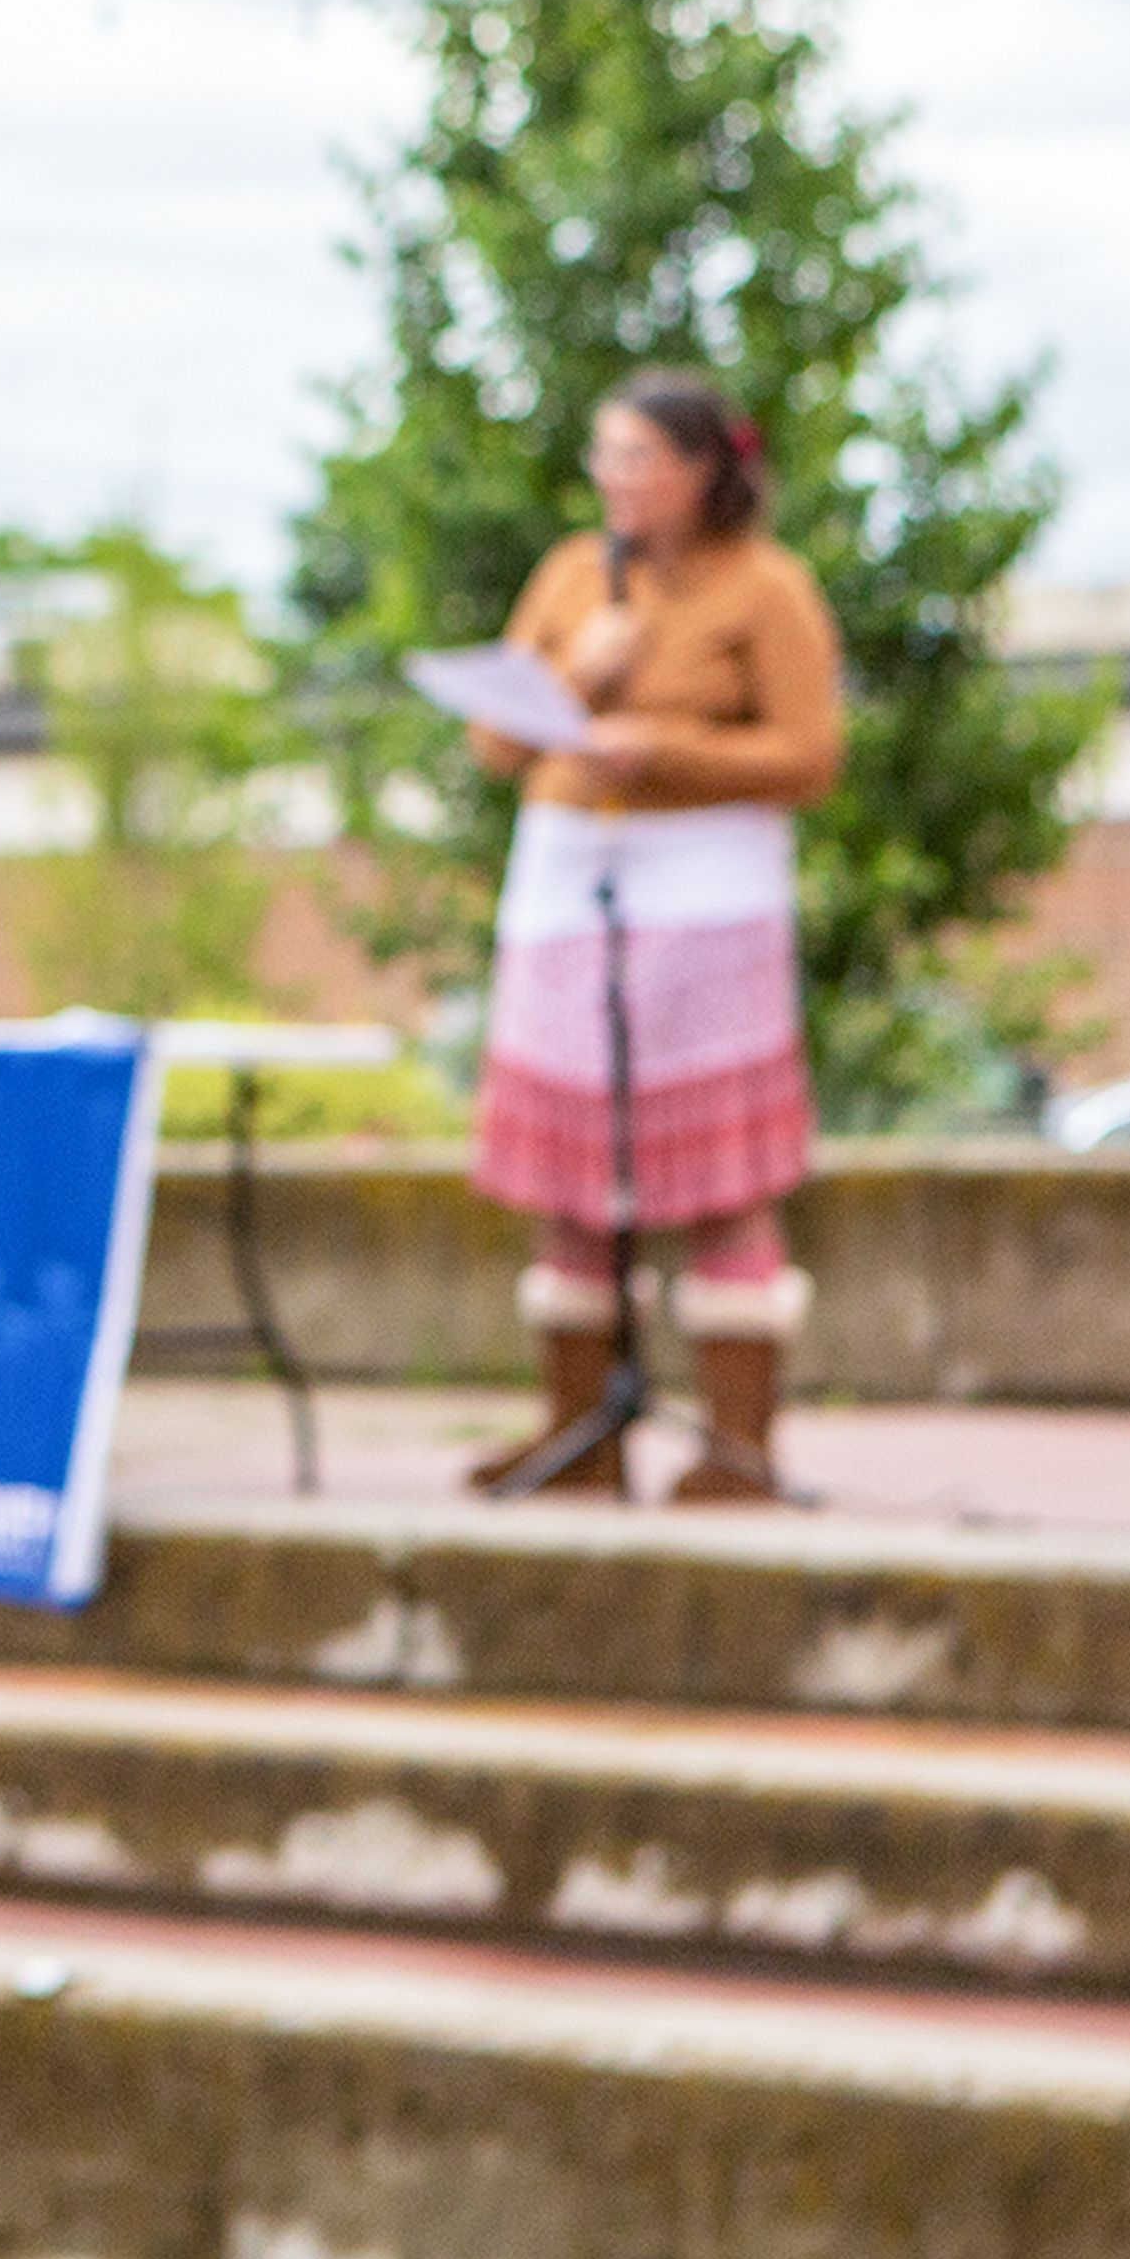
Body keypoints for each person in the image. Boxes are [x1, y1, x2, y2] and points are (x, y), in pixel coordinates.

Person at [463, 369, 845, 1502]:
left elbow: (811, 757)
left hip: (707, 899)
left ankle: (738, 1448)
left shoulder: (766, 588)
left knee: (719, 1176)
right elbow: (495, 746)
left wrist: (660, 747)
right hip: (567, 886)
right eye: (605, 456)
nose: (613, 480)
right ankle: (582, 1434)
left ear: (704, 470)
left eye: (637, 457)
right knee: (569, 1178)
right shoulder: (574, 578)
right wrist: (573, 680)